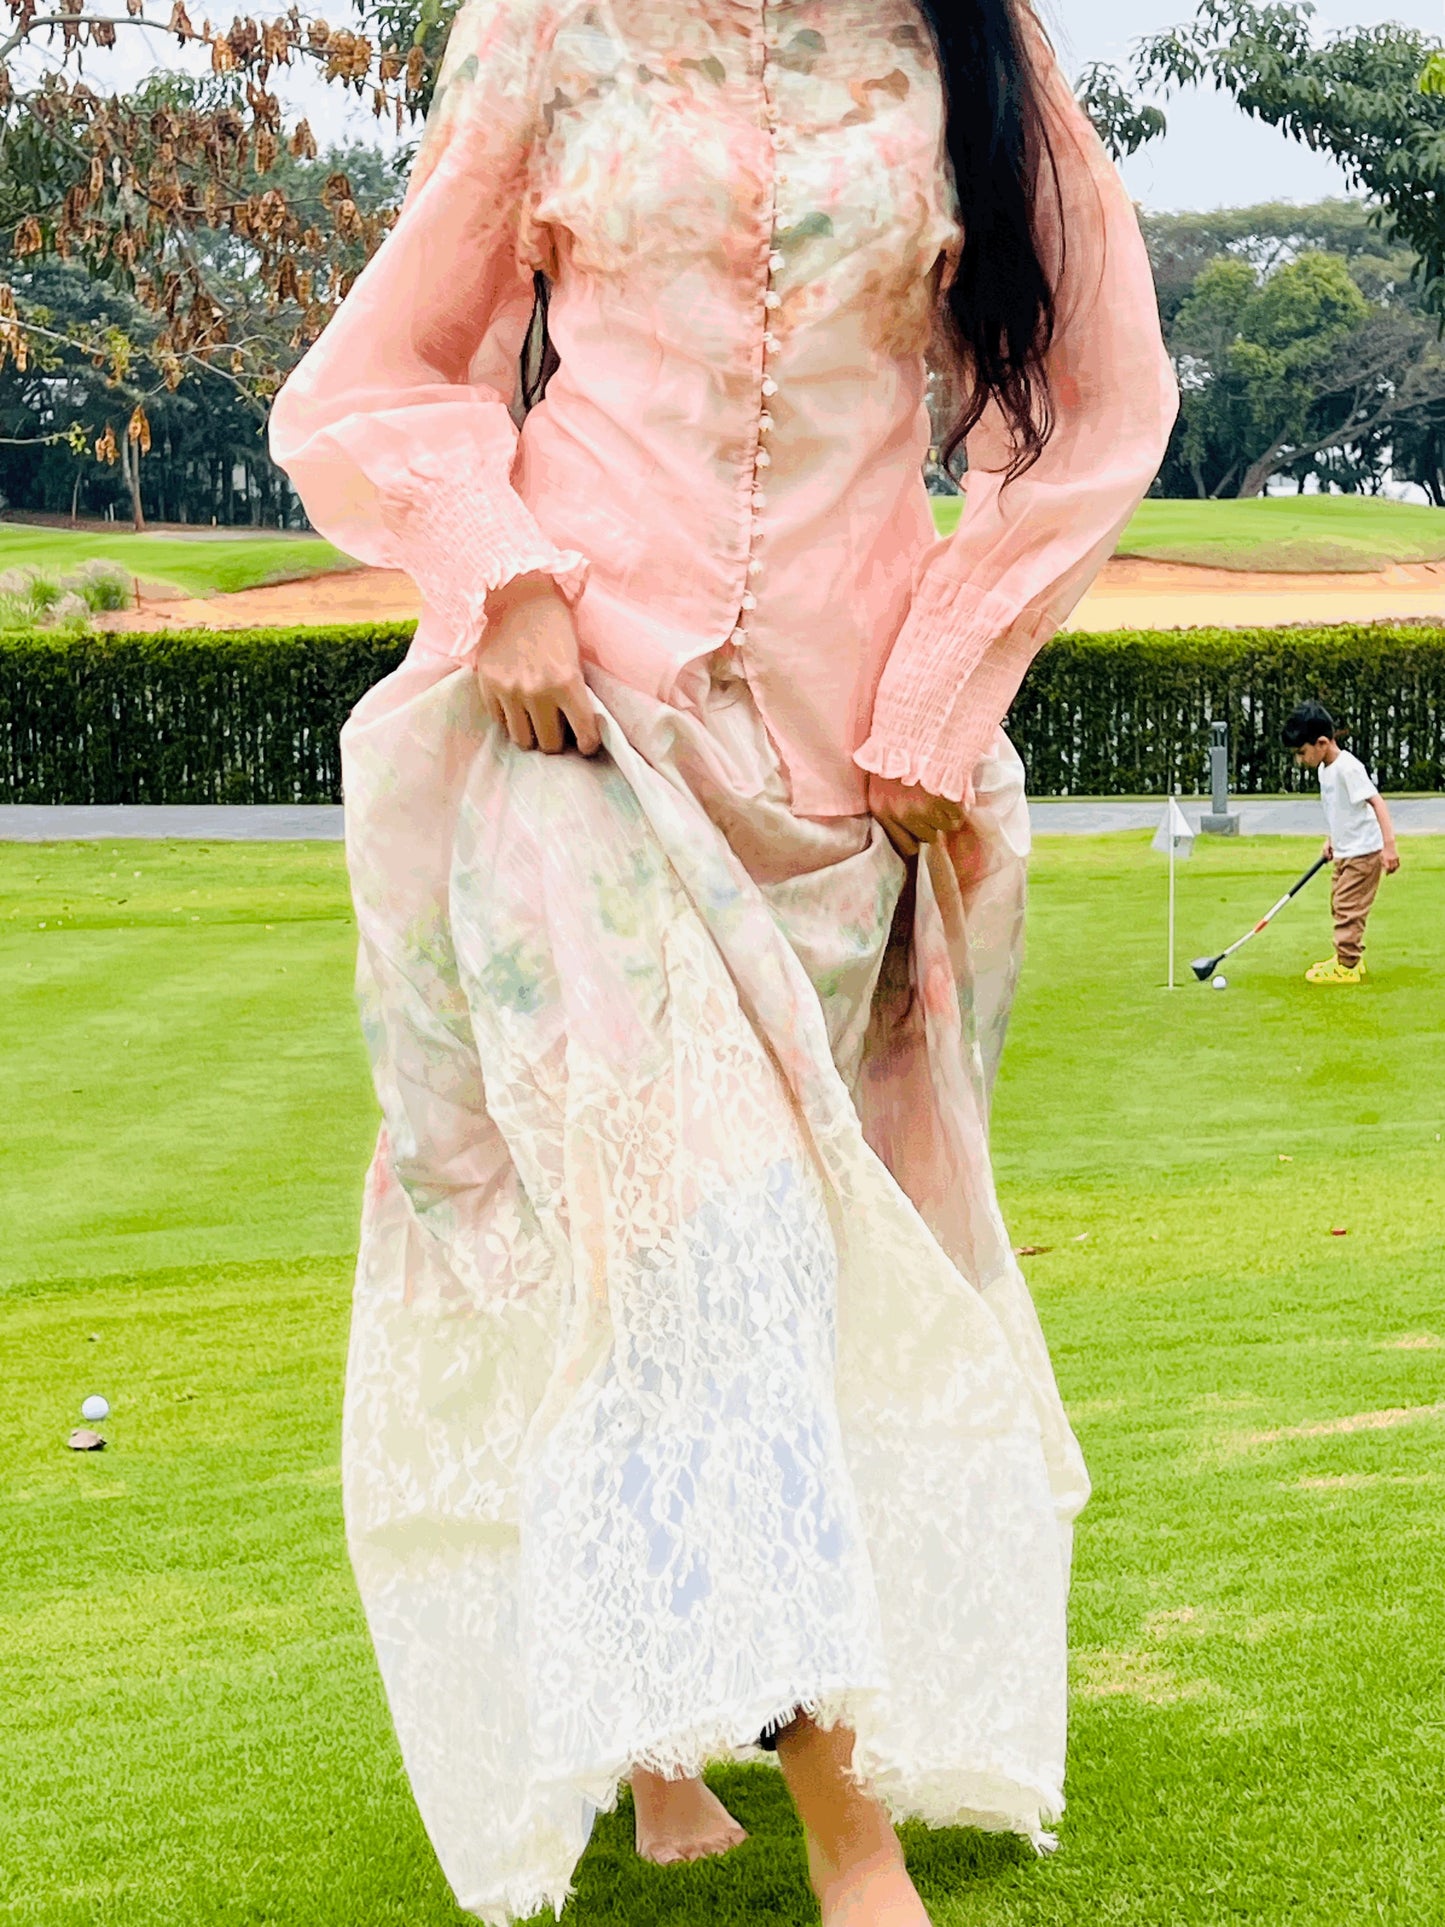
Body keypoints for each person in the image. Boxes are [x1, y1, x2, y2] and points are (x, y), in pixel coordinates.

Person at [267, 2, 1177, 1920]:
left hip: (860, 779)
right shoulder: (551, 28)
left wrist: (947, 687)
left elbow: (1102, 404)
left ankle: (669, 1732)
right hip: (577, 736)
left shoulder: (968, 48)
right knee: (710, 1243)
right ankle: (850, 1835)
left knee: (783, 1264)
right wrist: (502, 573)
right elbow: (383, 372)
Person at [1282, 701, 1400, 986]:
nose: (1300, 760)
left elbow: (1377, 802)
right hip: (1345, 851)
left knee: (1348, 907)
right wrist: (1332, 838)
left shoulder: (1348, 768)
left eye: (1302, 752)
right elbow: (1340, 809)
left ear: (1322, 743)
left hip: (1364, 852)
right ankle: (1350, 957)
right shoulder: (1325, 769)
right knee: (1339, 903)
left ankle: (1347, 966)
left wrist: (1389, 847)